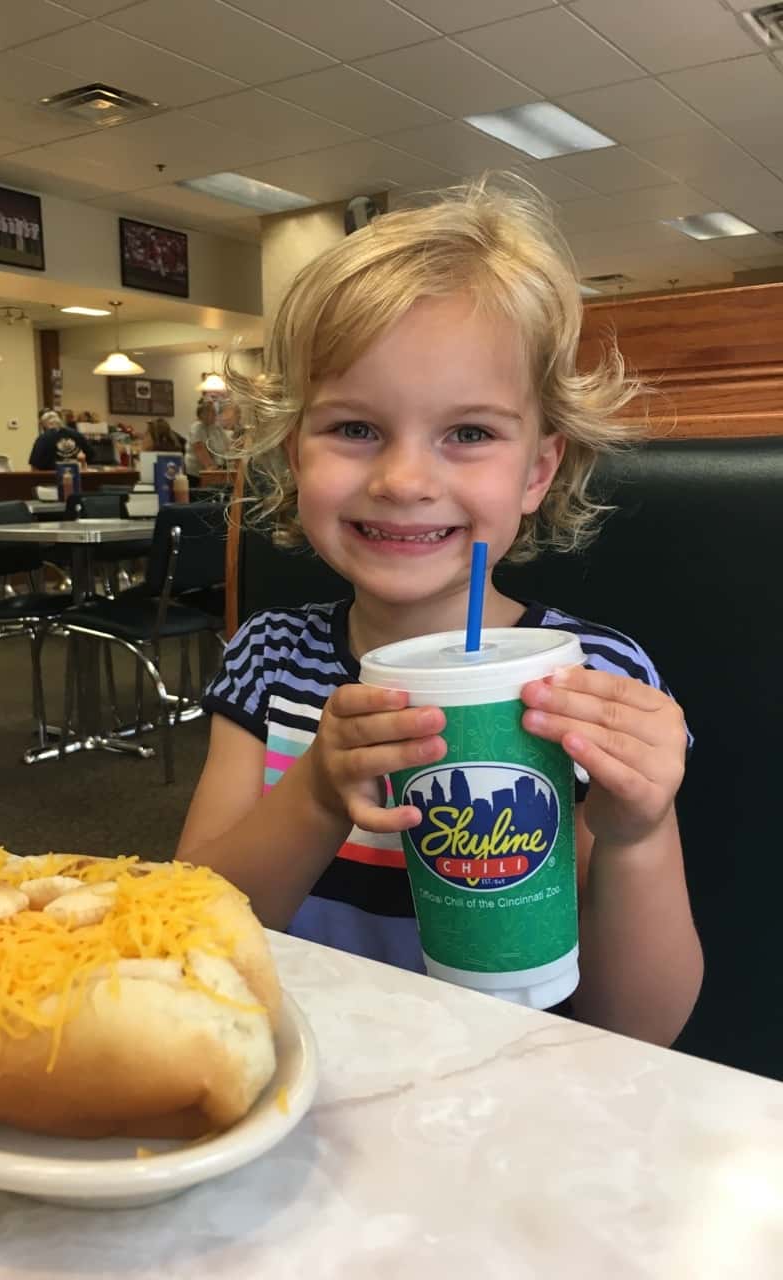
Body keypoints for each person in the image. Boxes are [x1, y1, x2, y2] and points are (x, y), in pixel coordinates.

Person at [177, 178, 703, 1048]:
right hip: (304, 1076)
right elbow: (195, 934)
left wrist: (636, 834)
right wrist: (317, 793)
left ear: (537, 471)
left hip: (517, 1083)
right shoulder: (269, 659)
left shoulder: (594, 680)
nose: (404, 480)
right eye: (354, 428)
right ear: (294, 455)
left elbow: (641, 1026)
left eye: (469, 433)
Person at [184, 400, 230, 485]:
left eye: (214, 411)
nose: (214, 414)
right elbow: (199, 449)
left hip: (216, 470)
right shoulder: (197, 427)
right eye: (210, 411)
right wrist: (212, 468)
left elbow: (228, 446)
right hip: (197, 474)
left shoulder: (217, 428)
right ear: (202, 414)